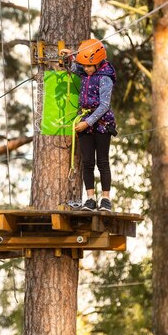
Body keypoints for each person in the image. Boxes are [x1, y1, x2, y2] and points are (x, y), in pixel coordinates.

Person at [61, 39, 117, 212]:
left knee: (102, 161)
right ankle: (90, 198)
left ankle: (105, 199)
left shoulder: (105, 78)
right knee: (87, 162)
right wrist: (69, 56)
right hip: (85, 121)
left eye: (89, 66)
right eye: (84, 66)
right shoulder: (86, 71)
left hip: (101, 123)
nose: (85, 69)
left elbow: (104, 105)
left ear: (99, 62)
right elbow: (73, 67)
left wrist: (87, 123)